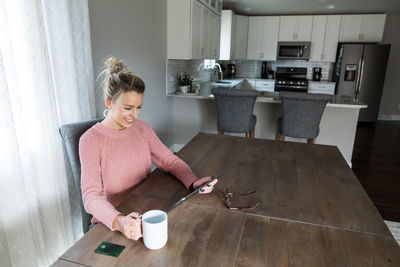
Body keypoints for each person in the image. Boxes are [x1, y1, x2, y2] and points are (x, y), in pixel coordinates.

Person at [79, 57, 217, 241]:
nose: (134, 115)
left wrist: (193, 183)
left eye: (138, 108)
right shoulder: (90, 140)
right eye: (128, 108)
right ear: (109, 102)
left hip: (146, 207)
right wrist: (119, 221)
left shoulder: (142, 128)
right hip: (112, 221)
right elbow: (91, 197)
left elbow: (169, 160)